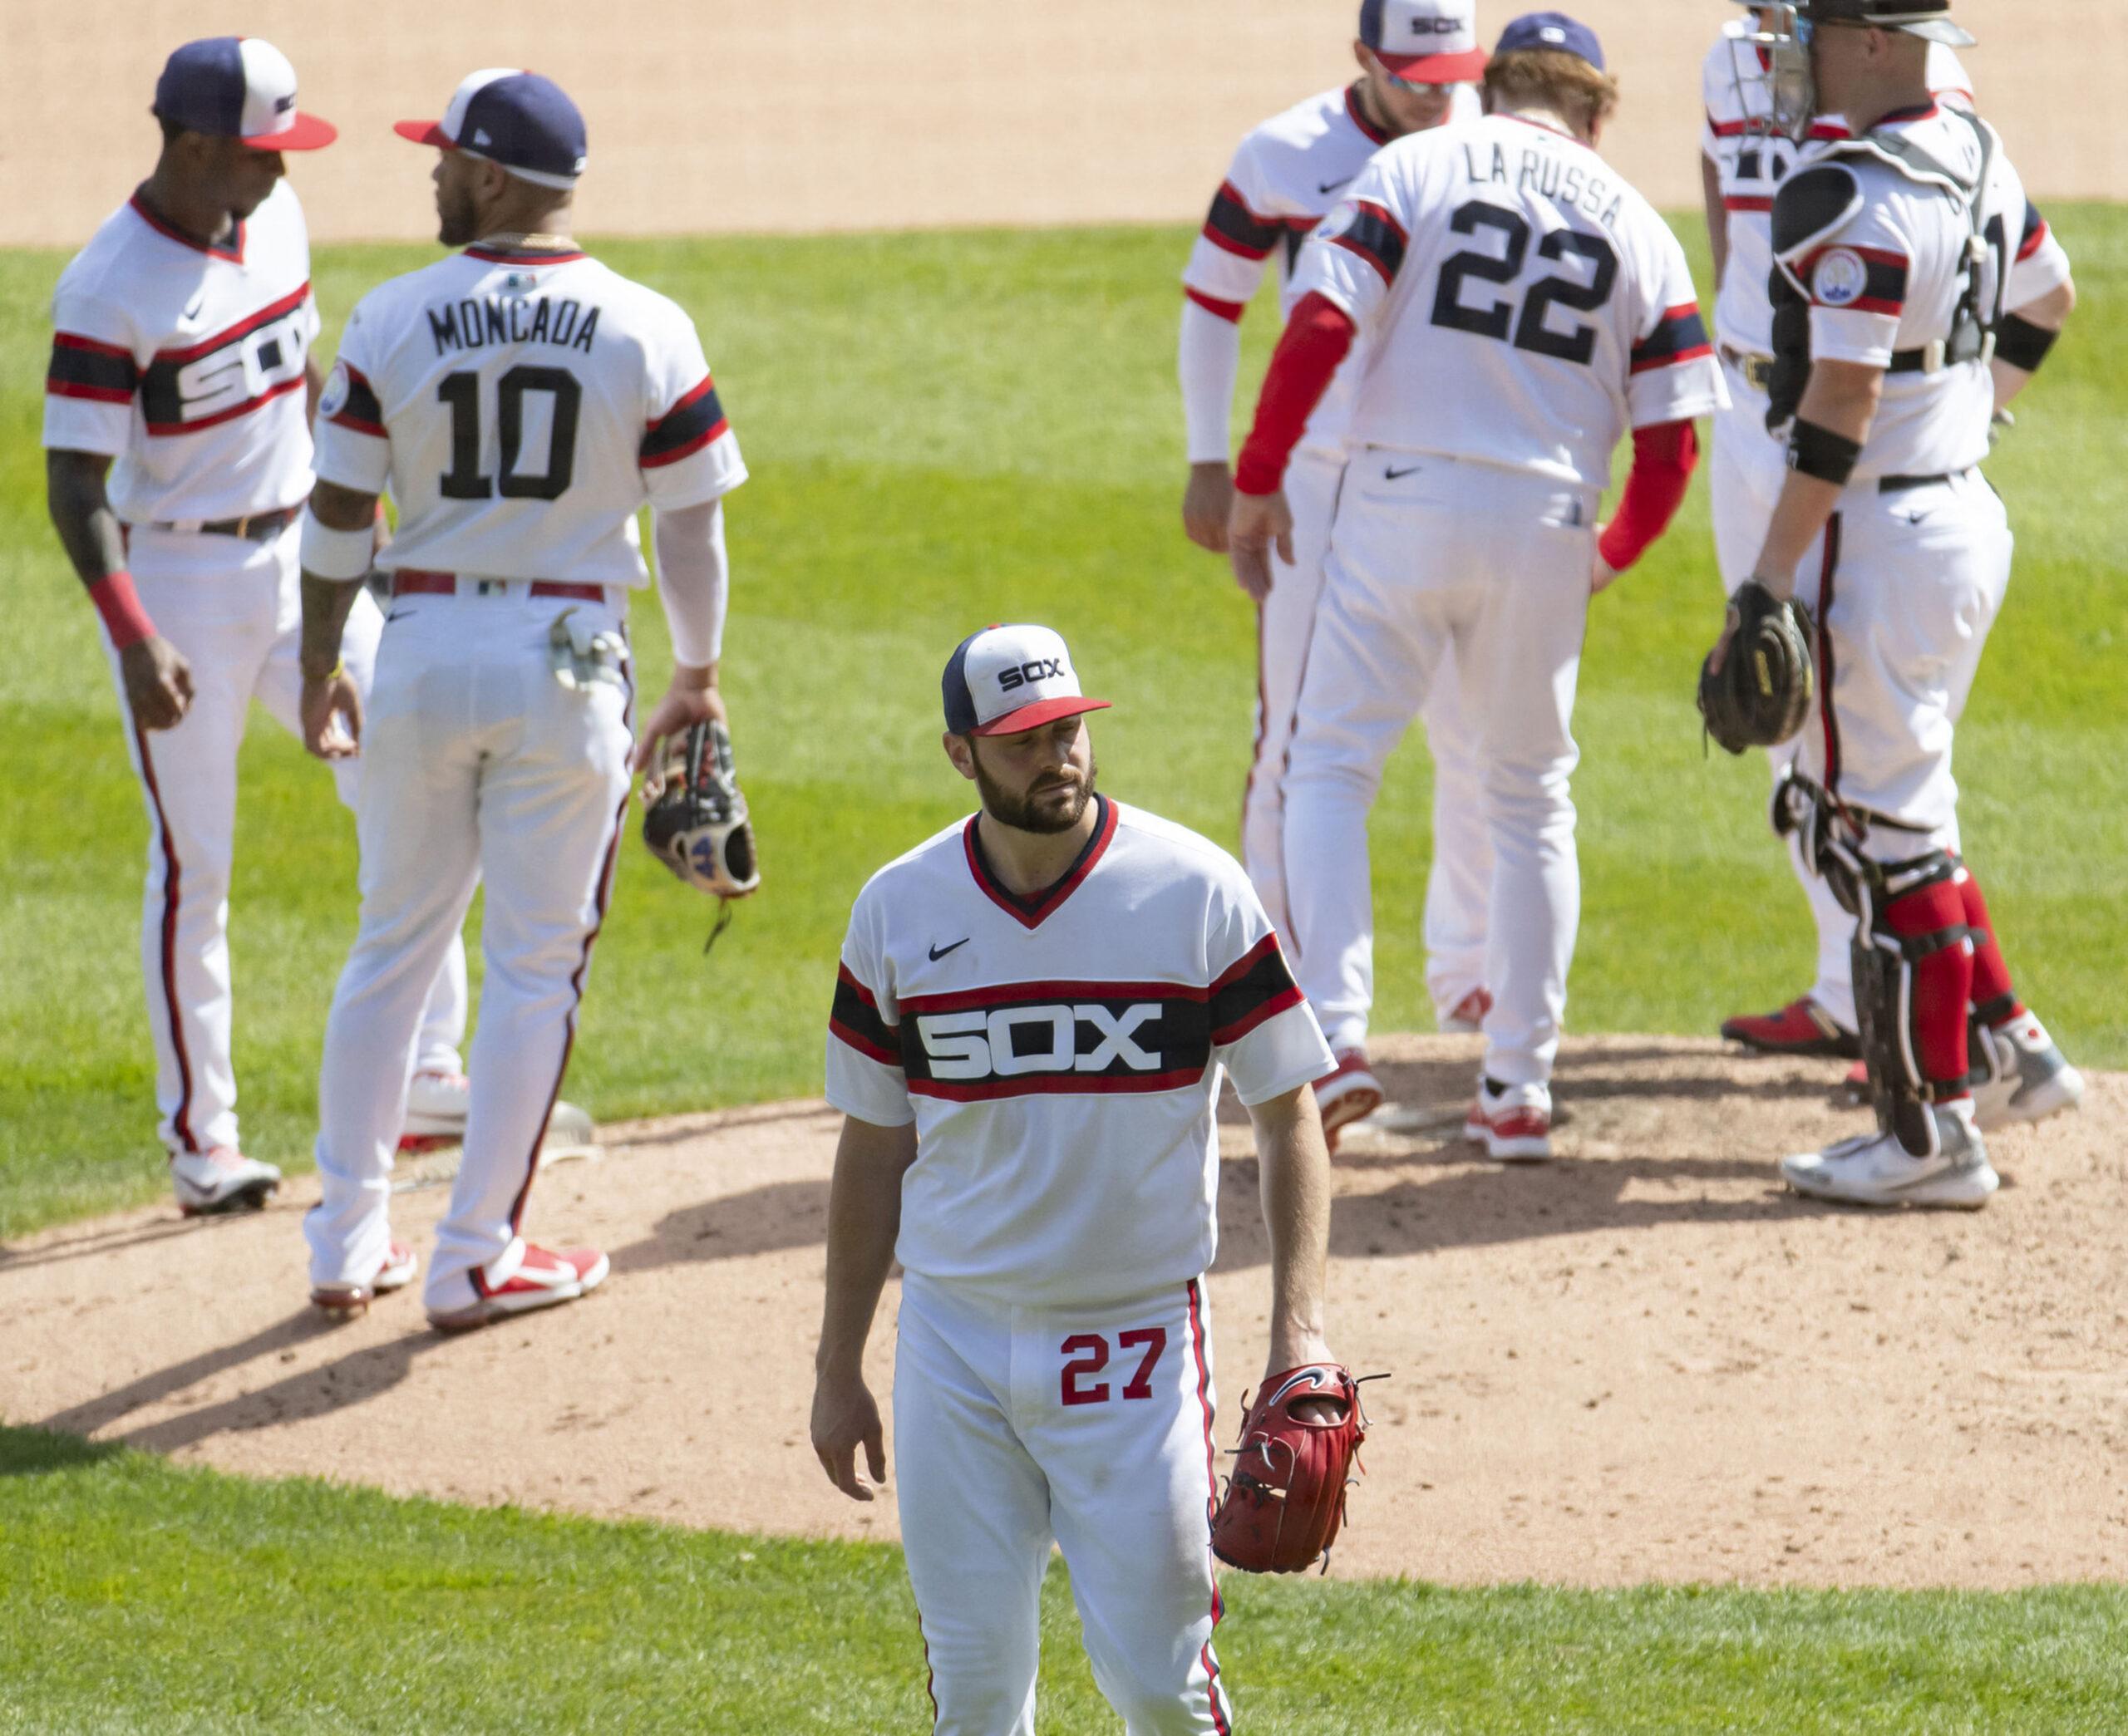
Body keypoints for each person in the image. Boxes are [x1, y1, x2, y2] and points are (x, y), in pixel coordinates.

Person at [810, 624, 1337, 1734]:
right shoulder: (899, 910)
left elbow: (1288, 1110)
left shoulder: (1191, 888)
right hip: (951, 1344)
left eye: (1066, 731)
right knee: (977, 1696)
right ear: (961, 754)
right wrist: (838, 1365)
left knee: (1162, 1687)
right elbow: (870, 1146)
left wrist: (1301, 1332)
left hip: (1135, 1346)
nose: (1056, 758)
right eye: (1021, 742)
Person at [1229, 14, 1726, 1161]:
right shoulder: (1640, 226)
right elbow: (1671, 450)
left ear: (1490, 87)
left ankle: (1339, 1042)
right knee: (1530, 797)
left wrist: (1259, 481)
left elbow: (1317, 320)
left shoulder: (1414, 162)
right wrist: (1603, 555)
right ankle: (1517, 1088)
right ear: (1595, 112)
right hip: (1548, 515)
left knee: (1330, 767)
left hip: (1397, 497)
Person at [297, 69, 747, 1323]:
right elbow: (694, 526)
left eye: (445, 155)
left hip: (424, 642)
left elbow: (339, 513)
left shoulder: (390, 316)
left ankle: (343, 1240)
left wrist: (318, 657)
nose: (434, 171)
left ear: (492, 174)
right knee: (536, 968)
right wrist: (698, 672)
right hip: (570, 662)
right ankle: (476, 1250)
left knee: (392, 946)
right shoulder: (646, 322)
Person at [41, 37, 470, 1218]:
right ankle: (205, 1143)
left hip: (302, 564)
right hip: (178, 591)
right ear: (194, 147)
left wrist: (355, 493)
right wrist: (131, 635)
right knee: (198, 866)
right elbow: (74, 482)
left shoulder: (274, 224)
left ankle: (432, 1069)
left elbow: (300, 362)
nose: (282, 171)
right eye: (262, 151)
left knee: (415, 763)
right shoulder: (109, 286)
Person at [1702, 0, 2081, 1207]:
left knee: (1871, 830)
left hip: (1867, 536)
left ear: (1872, 39)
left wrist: (1766, 577)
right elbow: (2049, 298)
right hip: (1954, 516)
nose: (1791, 49)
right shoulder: (1972, 145)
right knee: (1910, 800)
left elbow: (1839, 412)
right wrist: (1975, 415)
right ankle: (2010, 1043)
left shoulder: (1847, 192)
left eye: (1811, 29)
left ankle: (1928, 1137)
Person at [1179, 0, 1490, 1146]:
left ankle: (1474, 981)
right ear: (1362, 57)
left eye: (1454, 71)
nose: (1435, 90)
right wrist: (1213, 459)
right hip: (1310, 483)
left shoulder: (1487, 136)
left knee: (1476, 735)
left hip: (1446, 478)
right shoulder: (1282, 154)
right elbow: (1212, 303)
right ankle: (1289, 1007)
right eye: (1414, 72)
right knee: (1294, 744)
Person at [1700, 1, 1971, 1061]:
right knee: (1777, 701)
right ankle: (1848, 983)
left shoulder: (1901, 70)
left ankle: (1908, 1011)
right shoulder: (1724, 57)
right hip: (1749, 400)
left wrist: (1957, 405)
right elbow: (1728, 213)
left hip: (1840, 417)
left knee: (1864, 734)